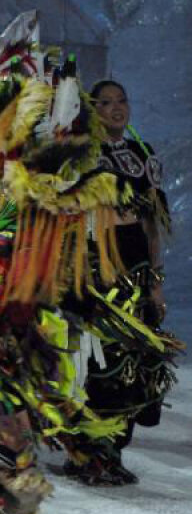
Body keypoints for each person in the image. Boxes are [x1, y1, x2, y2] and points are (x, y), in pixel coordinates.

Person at [61, 80, 177, 485]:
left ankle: (112, 450)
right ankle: (87, 453)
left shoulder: (142, 156)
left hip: (136, 267)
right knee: (97, 361)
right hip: (95, 267)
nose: (116, 108)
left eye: (121, 100)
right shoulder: (80, 156)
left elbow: (151, 225)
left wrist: (156, 281)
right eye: (105, 102)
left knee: (136, 361)